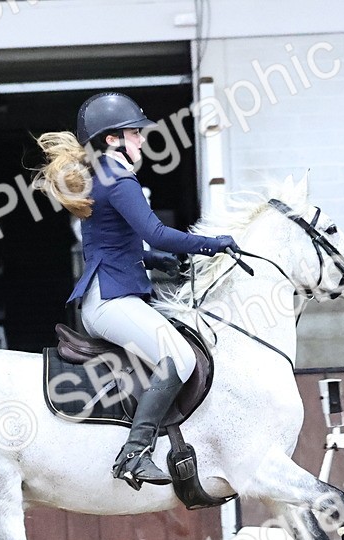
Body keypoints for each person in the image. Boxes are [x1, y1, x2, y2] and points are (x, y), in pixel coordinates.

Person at [34, 92, 236, 490]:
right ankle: (134, 453)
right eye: (134, 133)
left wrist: (156, 261)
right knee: (179, 358)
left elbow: (116, 243)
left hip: (109, 294)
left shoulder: (102, 175)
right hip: (112, 301)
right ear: (112, 139)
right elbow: (156, 232)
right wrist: (214, 242)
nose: (141, 139)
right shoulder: (118, 177)